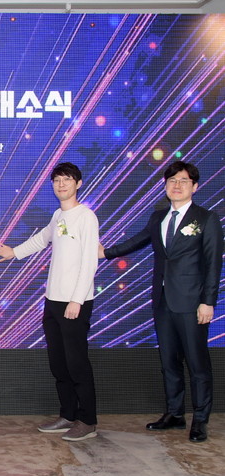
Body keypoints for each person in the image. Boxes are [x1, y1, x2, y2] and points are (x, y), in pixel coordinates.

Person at [100, 161, 223, 443]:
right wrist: (106, 252)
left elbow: (213, 265)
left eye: (183, 181)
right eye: (172, 181)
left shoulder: (206, 219)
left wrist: (208, 302)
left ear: (194, 186)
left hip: (192, 303)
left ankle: (200, 420)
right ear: (165, 186)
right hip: (163, 301)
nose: (176, 186)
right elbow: (138, 240)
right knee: (168, 361)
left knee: (197, 364)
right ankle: (175, 414)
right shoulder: (158, 217)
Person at [0, 162, 99, 441]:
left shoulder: (86, 217)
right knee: (58, 363)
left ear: (78, 183)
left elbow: (90, 262)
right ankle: (68, 414)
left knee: (77, 363)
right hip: (53, 301)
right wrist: (14, 252)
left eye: (67, 179)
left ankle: (87, 421)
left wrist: (76, 300)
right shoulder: (58, 215)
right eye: (57, 180)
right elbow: (41, 239)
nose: (61, 184)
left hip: (74, 302)